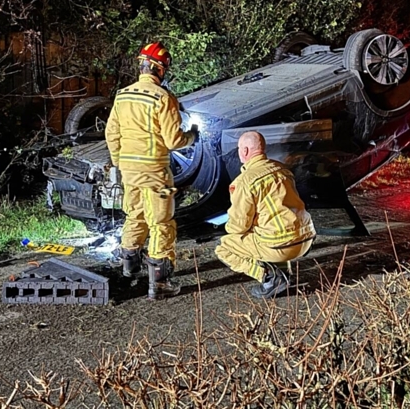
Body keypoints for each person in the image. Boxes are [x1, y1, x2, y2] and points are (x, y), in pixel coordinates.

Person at [105, 41, 197, 299]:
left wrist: (118, 162)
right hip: (155, 171)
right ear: (160, 69)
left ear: (142, 66)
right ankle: (160, 283)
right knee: (161, 223)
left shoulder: (122, 95)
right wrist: (191, 136)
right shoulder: (163, 98)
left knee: (135, 215)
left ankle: (130, 267)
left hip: (129, 170)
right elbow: (173, 141)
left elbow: (111, 133)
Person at [214, 131, 316, 299]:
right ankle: (285, 273)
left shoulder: (245, 181)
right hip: (306, 239)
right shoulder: (282, 170)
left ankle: (269, 277)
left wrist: (227, 225)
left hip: (281, 247)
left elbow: (239, 226)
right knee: (275, 227)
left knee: (224, 247)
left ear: (245, 151)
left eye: (239, 148)